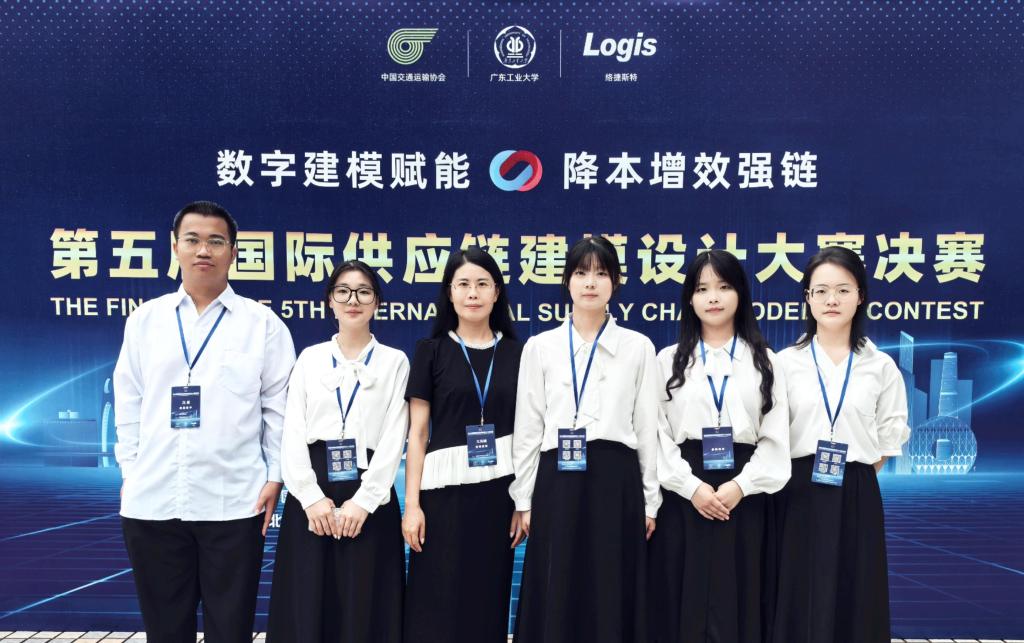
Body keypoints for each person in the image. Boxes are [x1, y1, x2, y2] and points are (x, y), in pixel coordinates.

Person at [114, 201, 295, 643]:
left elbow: (279, 408)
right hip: (153, 500)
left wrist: (275, 476)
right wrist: (131, 470)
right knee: (164, 630)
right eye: (192, 239)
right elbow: (129, 400)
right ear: (174, 247)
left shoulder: (262, 324)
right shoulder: (146, 320)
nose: (203, 250)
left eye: (216, 241)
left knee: (231, 630)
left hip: (234, 502)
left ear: (233, 252)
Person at [510, 236, 660, 643]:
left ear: (616, 282)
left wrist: (650, 501)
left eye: (601, 273)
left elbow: (647, 429)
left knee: (610, 584)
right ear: (567, 282)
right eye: (581, 273)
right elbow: (529, 428)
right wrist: (524, 499)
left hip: (616, 480)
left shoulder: (638, 347)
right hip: (557, 480)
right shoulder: (540, 347)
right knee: (557, 584)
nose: (590, 282)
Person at [770, 246, 911, 643]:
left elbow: (889, 437)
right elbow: (772, 433)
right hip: (795, 489)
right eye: (821, 291)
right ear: (808, 298)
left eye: (843, 290)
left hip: (856, 490)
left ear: (860, 296)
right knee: (798, 588)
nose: (832, 300)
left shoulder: (880, 366)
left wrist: (853, 473)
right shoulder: (784, 363)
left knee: (856, 588)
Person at [648, 249, 790, 643]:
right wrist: (691, 487)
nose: (713, 297)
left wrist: (740, 486)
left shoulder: (765, 362)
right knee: (682, 596)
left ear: (740, 294)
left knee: (739, 596)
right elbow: (655, 435)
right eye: (702, 289)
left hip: (744, 492)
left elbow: (776, 438)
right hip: (683, 491)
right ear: (689, 299)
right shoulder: (667, 361)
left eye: (724, 287)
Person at [267, 260, 408, 643]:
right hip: (313, 494)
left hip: (370, 495)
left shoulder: (395, 361)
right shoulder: (310, 358)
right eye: (343, 291)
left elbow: (394, 437)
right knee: (308, 601)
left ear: (377, 302)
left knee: (365, 603)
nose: (353, 300)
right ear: (330, 300)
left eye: (363, 292)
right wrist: (310, 498)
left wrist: (364, 502)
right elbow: (292, 432)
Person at [402, 247, 523, 643]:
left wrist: (523, 502)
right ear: (450, 293)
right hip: (442, 499)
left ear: (497, 292)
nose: (473, 293)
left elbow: (529, 434)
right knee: (437, 599)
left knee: (487, 598)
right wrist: (412, 505)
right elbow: (418, 433)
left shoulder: (519, 354)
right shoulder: (431, 351)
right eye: (464, 284)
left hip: (498, 497)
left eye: (482, 284)